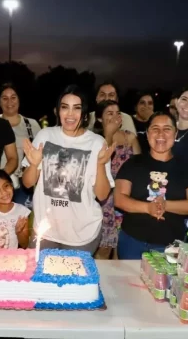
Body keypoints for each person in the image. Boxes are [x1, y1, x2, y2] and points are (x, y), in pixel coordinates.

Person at [22, 85, 115, 253]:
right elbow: (28, 183)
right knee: (39, 277)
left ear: (85, 114)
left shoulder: (96, 142)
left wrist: (100, 164)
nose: (70, 114)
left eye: (77, 108)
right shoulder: (45, 136)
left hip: (82, 234)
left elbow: (102, 195)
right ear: (58, 111)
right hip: (46, 231)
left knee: (75, 279)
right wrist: (34, 164)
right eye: (65, 107)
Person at [114, 112, 188, 259]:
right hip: (132, 242)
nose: (161, 133)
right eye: (155, 128)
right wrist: (148, 208)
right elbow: (119, 198)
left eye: (167, 129)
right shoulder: (133, 164)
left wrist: (165, 205)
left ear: (175, 134)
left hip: (171, 246)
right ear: (147, 133)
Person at [92, 100, 141, 259]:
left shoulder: (130, 137)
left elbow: (140, 167)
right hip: (103, 199)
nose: (115, 117)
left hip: (125, 197)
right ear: (100, 118)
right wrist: (108, 134)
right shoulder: (93, 139)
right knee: (103, 250)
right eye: (109, 113)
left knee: (120, 250)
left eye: (117, 113)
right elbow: (96, 164)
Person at [0, 83, 41, 206]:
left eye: (13, 97)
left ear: (19, 99)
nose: (9, 102)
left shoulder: (32, 125)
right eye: (4, 98)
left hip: (25, 186)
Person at [131, 90, 154, 155]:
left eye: (150, 103)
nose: (146, 106)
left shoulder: (157, 122)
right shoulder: (129, 121)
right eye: (142, 103)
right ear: (135, 107)